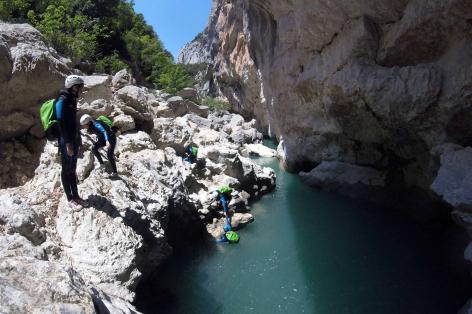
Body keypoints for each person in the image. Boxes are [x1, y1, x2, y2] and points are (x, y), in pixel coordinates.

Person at [56, 75, 88, 209]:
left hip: (73, 138)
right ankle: (70, 199)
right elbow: (60, 122)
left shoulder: (72, 99)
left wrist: (79, 138)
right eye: (80, 87)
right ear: (74, 87)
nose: (82, 89)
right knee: (66, 168)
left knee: (73, 169)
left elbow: (73, 122)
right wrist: (68, 144)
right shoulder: (62, 100)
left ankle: (76, 196)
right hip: (65, 141)